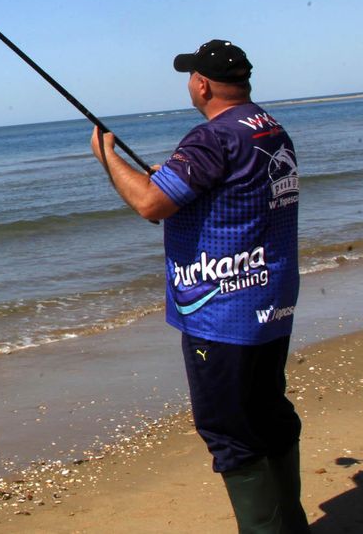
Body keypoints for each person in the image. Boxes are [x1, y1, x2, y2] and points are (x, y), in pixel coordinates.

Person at [90, 39, 308, 534]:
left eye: (190, 74)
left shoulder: (212, 138)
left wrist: (107, 157)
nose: (189, 82)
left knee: (230, 429)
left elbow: (150, 204)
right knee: (268, 411)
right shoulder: (269, 129)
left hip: (224, 311)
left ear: (202, 84)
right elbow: (219, 189)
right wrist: (166, 178)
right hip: (270, 300)